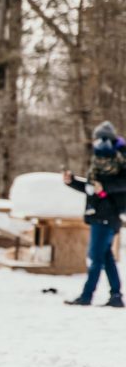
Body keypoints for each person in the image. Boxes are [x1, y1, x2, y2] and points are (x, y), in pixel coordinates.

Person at [63, 121, 126, 307]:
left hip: (108, 216)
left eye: (100, 139)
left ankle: (86, 296)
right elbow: (92, 189)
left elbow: (117, 186)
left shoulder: (120, 161)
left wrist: (103, 188)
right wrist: (72, 182)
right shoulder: (98, 163)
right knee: (105, 258)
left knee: (95, 258)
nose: (97, 143)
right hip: (98, 213)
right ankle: (116, 296)